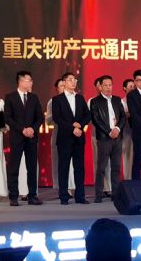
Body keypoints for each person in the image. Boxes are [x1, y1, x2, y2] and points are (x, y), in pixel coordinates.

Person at [3, 70, 44, 206]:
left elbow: (40, 117)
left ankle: (32, 196)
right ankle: (13, 196)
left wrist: (32, 128)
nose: (31, 82)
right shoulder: (10, 97)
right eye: (29, 80)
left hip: (31, 137)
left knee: (32, 167)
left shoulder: (34, 97)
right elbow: (8, 118)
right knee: (14, 167)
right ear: (21, 81)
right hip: (17, 137)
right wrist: (22, 129)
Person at [52, 72, 91, 205]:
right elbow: (57, 118)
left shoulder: (80, 98)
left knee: (79, 168)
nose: (73, 82)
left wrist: (80, 125)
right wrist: (72, 128)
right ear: (64, 82)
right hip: (65, 138)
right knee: (63, 167)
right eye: (70, 80)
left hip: (79, 138)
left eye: (75, 79)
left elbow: (87, 115)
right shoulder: (57, 99)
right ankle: (64, 196)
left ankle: (80, 196)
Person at [89, 75, 126, 203]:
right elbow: (96, 120)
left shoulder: (117, 100)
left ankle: (116, 193)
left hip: (117, 137)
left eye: (110, 85)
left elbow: (123, 117)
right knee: (101, 167)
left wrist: (117, 129)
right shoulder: (95, 101)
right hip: (104, 138)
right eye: (105, 85)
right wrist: (109, 131)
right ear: (100, 87)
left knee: (116, 167)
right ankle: (99, 194)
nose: (108, 87)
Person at [47, 78, 73, 194]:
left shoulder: (74, 98)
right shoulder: (53, 101)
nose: (64, 87)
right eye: (61, 86)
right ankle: (62, 188)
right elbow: (48, 120)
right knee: (59, 162)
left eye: (64, 85)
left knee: (72, 162)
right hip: (59, 133)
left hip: (73, 133)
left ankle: (71, 187)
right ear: (57, 89)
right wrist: (57, 114)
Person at [88, 78, 111, 196]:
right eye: (99, 85)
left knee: (110, 163)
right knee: (99, 162)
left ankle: (109, 187)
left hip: (112, 135)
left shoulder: (113, 100)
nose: (101, 87)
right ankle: (100, 188)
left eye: (108, 85)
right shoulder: (92, 101)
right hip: (97, 135)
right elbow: (91, 118)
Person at [120, 79, 135, 180]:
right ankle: (127, 179)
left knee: (135, 156)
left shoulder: (137, 102)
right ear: (124, 88)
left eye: (134, 86)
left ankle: (134, 179)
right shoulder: (120, 102)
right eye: (130, 86)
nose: (133, 88)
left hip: (136, 132)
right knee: (126, 155)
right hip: (125, 132)